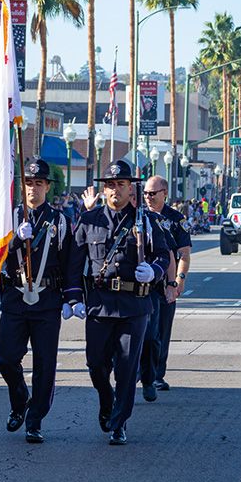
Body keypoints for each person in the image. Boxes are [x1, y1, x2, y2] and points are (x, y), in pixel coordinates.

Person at [64, 160, 170, 445]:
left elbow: (162, 254)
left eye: (120, 184)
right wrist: (73, 297)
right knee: (95, 363)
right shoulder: (89, 220)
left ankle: (120, 422)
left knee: (126, 367)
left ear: (130, 188)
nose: (114, 190)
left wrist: (155, 271)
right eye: (110, 185)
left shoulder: (145, 221)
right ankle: (106, 399)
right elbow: (75, 263)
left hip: (133, 305)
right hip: (99, 304)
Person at [0, 159, 71, 443]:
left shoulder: (59, 220)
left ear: (47, 187)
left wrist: (70, 297)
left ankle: (35, 419)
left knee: (45, 364)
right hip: (15, 297)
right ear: (21, 185)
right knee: (5, 358)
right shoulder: (8, 218)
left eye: (39, 183)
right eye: (29, 182)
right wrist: (15, 238)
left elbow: (69, 263)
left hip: (47, 300)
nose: (33, 188)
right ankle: (19, 399)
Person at [143, 176, 192, 393]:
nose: (148, 197)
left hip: (165, 284)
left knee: (161, 331)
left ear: (164, 193)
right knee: (145, 332)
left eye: (152, 193)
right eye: (145, 193)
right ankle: (141, 372)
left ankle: (157, 375)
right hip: (143, 284)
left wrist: (178, 281)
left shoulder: (175, 219)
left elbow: (183, 254)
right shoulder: (140, 215)